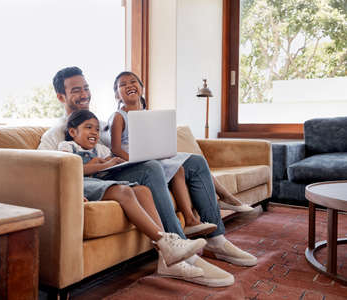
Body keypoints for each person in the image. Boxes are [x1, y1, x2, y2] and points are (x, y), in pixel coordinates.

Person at [38, 66, 256, 287]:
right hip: (103, 177)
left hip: (122, 166)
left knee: (195, 162)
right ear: (60, 96)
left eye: (86, 88)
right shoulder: (56, 133)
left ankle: (217, 240)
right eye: (76, 90)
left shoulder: (100, 124)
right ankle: (179, 252)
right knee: (151, 168)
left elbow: (117, 149)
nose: (84, 94)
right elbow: (44, 168)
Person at [58, 109, 206, 270]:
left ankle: (166, 254)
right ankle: (168, 245)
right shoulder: (67, 146)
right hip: (81, 182)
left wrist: (114, 162)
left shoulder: (101, 149)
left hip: (100, 181)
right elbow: (71, 169)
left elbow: (109, 167)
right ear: (72, 131)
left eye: (97, 129)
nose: (94, 132)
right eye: (88, 127)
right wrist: (101, 165)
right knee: (125, 192)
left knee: (143, 191)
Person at [109, 71, 253, 229]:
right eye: (122, 85)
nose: (129, 85)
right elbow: (116, 148)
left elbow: (153, 139)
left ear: (141, 88)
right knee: (178, 170)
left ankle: (225, 197)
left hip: (152, 156)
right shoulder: (119, 116)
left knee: (196, 160)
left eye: (133, 82)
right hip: (136, 161)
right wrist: (134, 159)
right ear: (117, 95)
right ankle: (191, 218)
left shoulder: (146, 114)